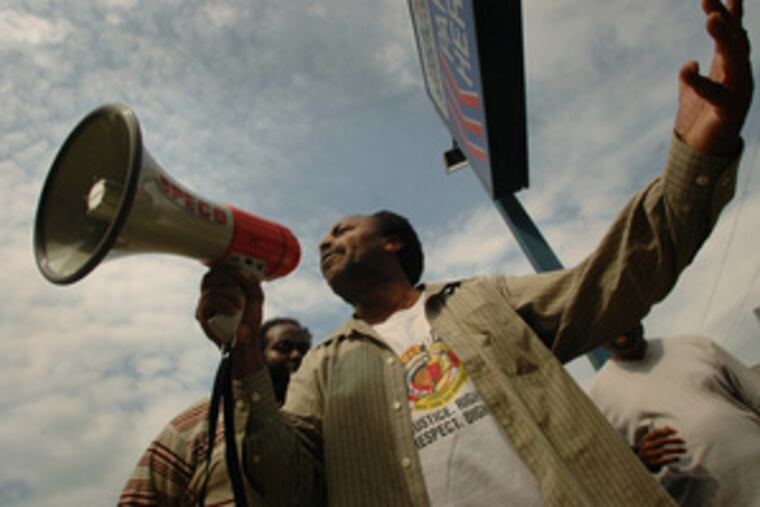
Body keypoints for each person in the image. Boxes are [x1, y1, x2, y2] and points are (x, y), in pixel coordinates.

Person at [196, 1, 753, 505]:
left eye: (342, 229)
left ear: (393, 243)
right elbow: (290, 485)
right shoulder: (322, 367)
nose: (324, 241)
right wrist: (245, 357)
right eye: (325, 238)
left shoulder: (487, 300)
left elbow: (618, 275)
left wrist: (698, 158)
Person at [117, 317, 312, 506]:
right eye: (283, 348)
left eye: (304, 351)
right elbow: (143, 496)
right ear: (256, 355)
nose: (296, 356)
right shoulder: (203, 418)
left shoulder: (318, 424)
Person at [587, 326, 760, 506]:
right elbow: (612, 478)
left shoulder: (696, 345)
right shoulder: (596, 398)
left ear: (637, 313)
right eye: (609, 324)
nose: (619, 331)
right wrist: (640, 463)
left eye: (622, 318)